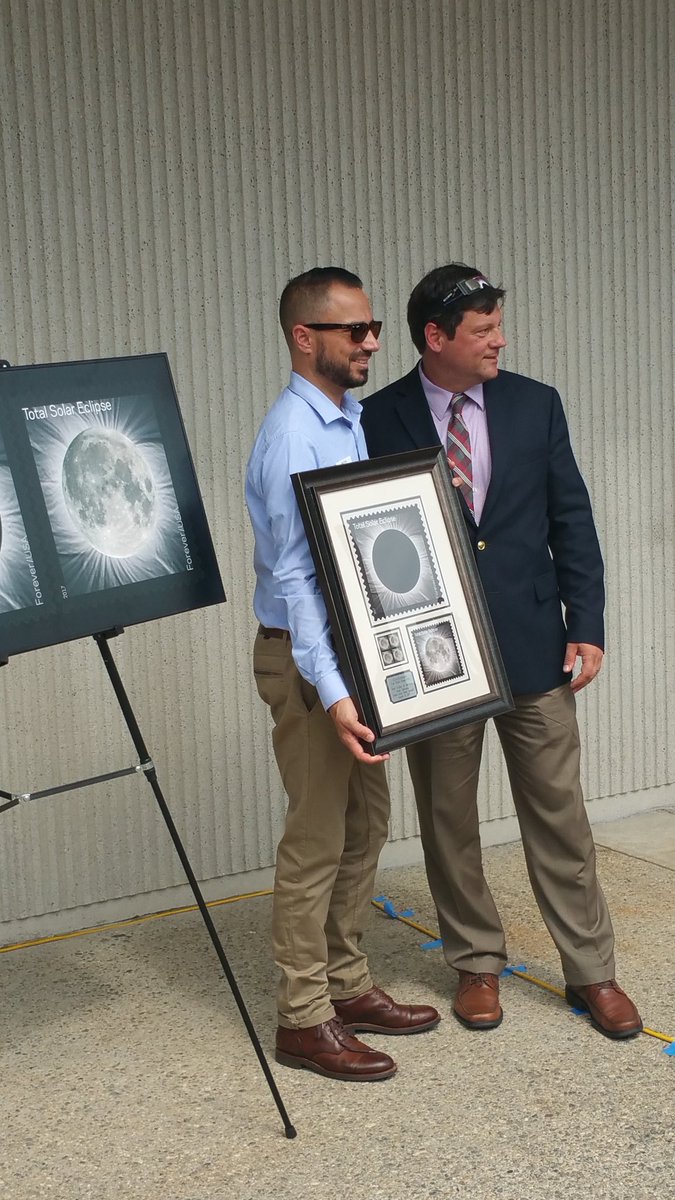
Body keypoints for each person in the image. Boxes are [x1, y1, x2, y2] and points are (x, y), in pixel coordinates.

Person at [360, 262, 642, 1040]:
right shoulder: (377, 417)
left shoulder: (533, 404)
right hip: (434, 657)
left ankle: (592, 972)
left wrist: (586, 621)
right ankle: (475, 963)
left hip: (531, 646)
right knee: (447, 816)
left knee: (560, 816)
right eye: (481, 330)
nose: (498, 341)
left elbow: (570, 519)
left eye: (496, 326)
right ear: (435, 337)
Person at [245, 267, 440, 1082]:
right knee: (316, 841)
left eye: (371, 329)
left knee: (365, 826)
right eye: (352, 330)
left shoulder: (346, 421)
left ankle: (347, 983)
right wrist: (332, 694)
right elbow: (296, 581)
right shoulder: (293, 435)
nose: (370, 342)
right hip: (306, 663)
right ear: (303, 337)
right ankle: (302, 1018)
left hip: (349, 656)